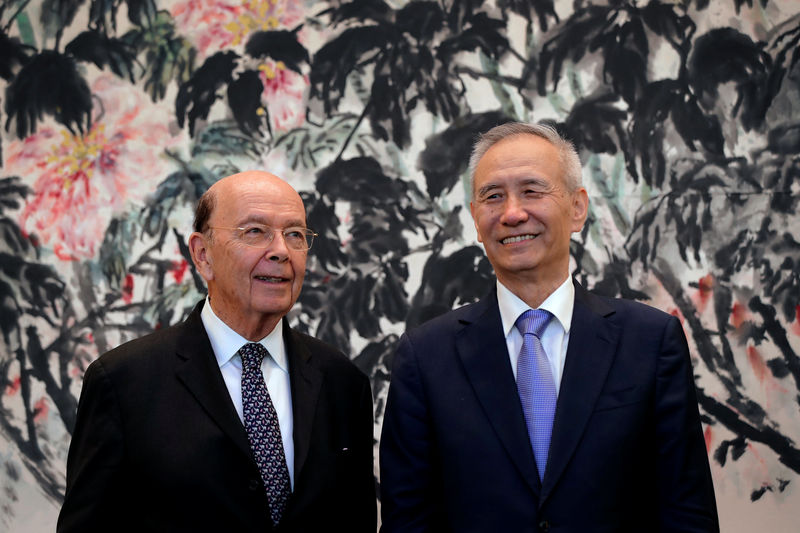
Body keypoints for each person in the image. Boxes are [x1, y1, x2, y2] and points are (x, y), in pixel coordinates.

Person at [379, 123, 719, 532]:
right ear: (475, 217)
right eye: (492, 196)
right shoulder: (425, 355)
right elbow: (408, 520)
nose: (512, 213)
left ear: (577, 208)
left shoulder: (649, 340)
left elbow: (686, 508)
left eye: (532, 191)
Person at [58, 171, 376, 532]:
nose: (281, 251)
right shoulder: (123, 383)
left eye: (295, 235)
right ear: (202, 254)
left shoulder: (342, 383)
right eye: (254, 232)